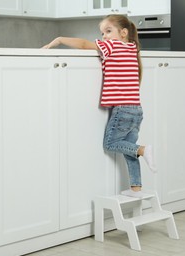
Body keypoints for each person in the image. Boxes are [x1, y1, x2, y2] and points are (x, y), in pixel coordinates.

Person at [42, 14, 157, 197]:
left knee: (111, 144)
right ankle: (136, 188)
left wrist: (59, 40)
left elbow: (83, 45)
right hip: (136, 110)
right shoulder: (132, 48)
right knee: (129, 149)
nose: (104, 37)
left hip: (122, 109)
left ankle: (142, 150)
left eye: (108, 31)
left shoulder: (112, 46)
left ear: (123, 32)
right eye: (102, 33)